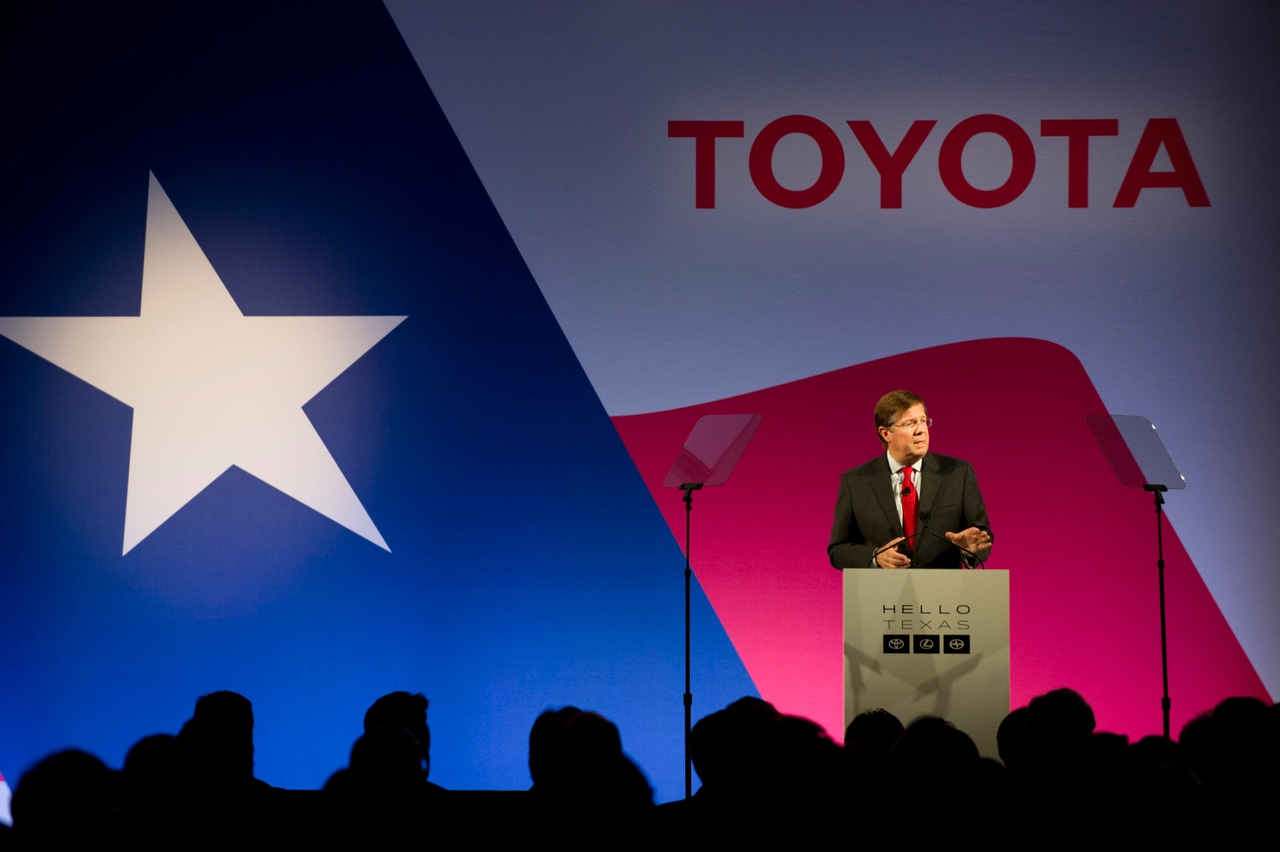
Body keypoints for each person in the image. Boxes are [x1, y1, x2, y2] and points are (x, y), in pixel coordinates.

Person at [828, 390, 991, 569]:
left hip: (943, 592)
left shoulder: (958, 473)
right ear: (885, 433)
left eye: (923, 421)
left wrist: (969, 550)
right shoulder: (856, 482)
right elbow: (838, 550)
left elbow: (981, 536)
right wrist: (876, 557)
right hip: (882, 593)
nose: (920, 430)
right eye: (910, 423)